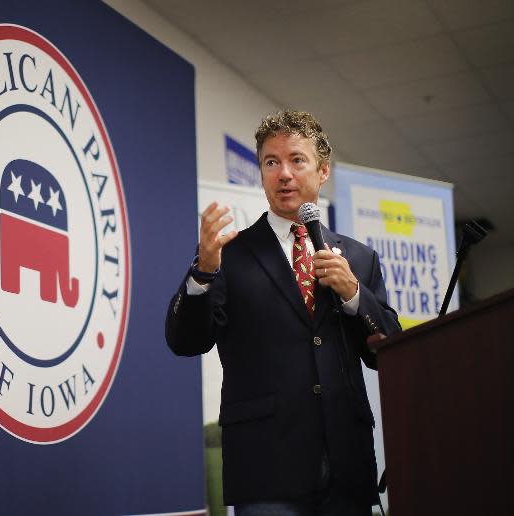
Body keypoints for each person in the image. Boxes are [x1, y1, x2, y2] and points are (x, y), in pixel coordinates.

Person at [165, 110, 400, 516]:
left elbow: (389, 352)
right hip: (266, 467)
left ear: (323, 170)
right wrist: (202, 271)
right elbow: (186, 341)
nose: (284, 174)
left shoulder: (359, 259)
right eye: (271, 162)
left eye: (297, 160)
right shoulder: (229, 255)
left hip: (348, 464)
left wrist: (355, 294)